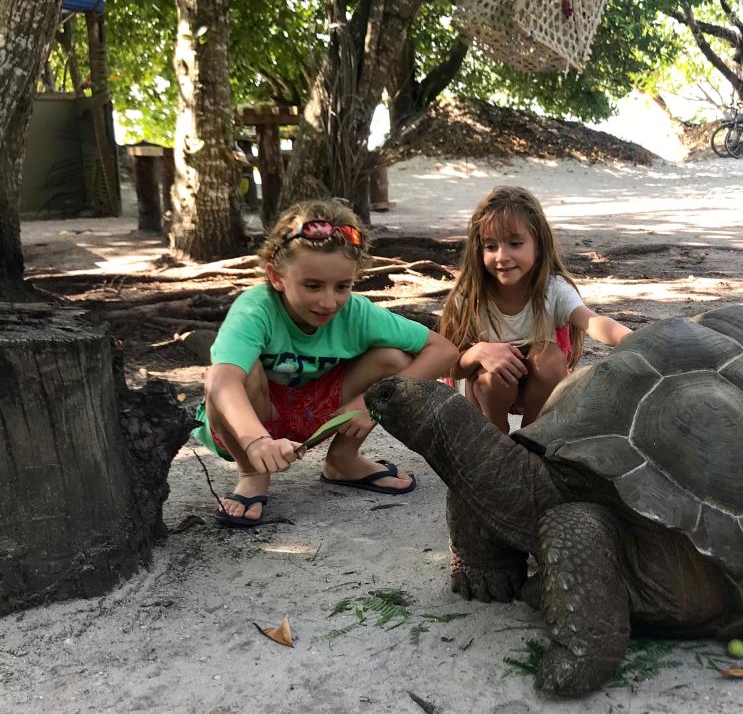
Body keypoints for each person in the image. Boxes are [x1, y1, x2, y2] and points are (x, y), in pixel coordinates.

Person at [193, 198, 458, 527]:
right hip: (246, 425)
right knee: (233, 374)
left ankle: (343, 461)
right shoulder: (255, 308)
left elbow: (443, 351)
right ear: (276, 276)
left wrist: (370, 404)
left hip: (313, 416)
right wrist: (255, 440)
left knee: (392, 359)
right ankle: (251, 473)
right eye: (313, 286)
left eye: (342, 286)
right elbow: (222, 382)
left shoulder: (356, 313)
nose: (329, 301)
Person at [440, 186, 631, 434]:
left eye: (515, 243)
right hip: (490, 393)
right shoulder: (471, 296)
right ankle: (495, 438)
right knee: (491, 379)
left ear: (538, 244)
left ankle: (533, 437)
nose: (502, 256)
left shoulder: (552, 289)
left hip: (539, 390)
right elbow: (447, 365)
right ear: (478, 249)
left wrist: (633, 339)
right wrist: (478, 352)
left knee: (550, 358)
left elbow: (592, 322)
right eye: (490, 246)